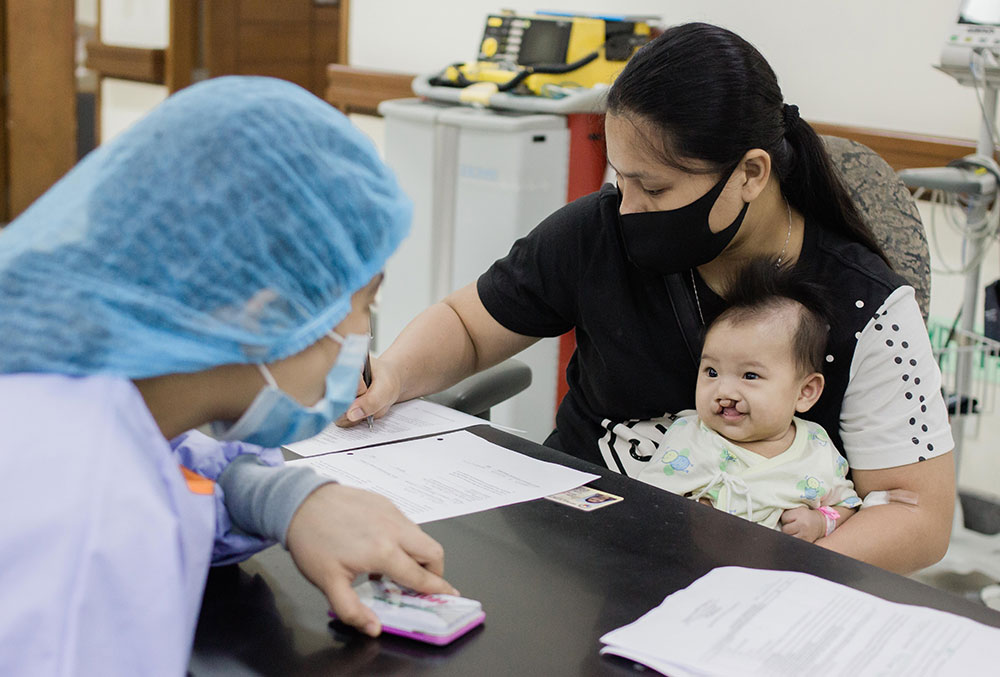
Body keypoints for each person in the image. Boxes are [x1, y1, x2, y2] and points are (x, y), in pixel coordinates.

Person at [350, 22, 955, 574]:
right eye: (621, 179)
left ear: (750, 174)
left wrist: (776, 577)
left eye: (656, 188)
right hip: (572, 551)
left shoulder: (865, 307)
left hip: (744, 585)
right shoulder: (599, 230)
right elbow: (469, 322)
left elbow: (916, 515)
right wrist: (395, 375)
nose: (629, 207)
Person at [0, 76, 457, 676]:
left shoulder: (72, 383)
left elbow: (170, 462)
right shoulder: (93, 520)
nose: (360, 337)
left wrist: (282, 498)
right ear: (263, 312)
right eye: (363, 302)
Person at [637, 260, 862, 542]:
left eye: (750, 375)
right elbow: (646, 503)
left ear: (805, 392)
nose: (725, 391)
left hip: (776, 576)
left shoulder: (816, 447)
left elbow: (848, 506)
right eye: (712, 372)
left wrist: (820, 522)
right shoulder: (691, 436)